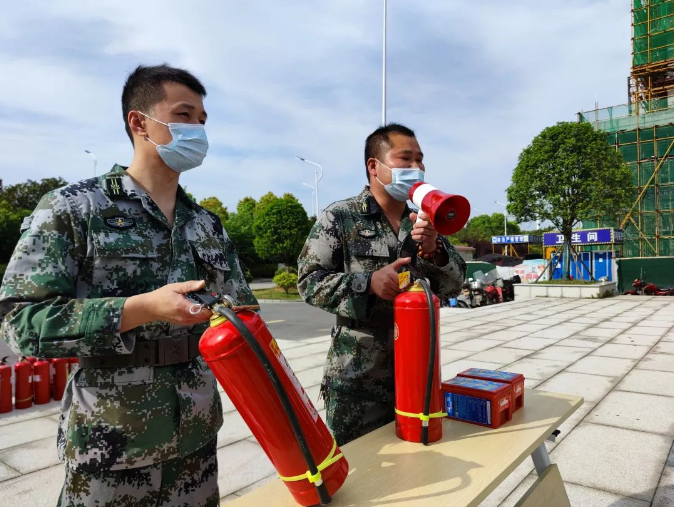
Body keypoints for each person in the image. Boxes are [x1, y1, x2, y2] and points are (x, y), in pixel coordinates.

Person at [0, 64, 256, 506]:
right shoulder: (74, 207)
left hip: (196, 438)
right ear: (140, 122)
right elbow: (20, 323)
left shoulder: (206, 224)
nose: (197, 128)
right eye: (184, 115)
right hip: (111, 443)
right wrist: (141, 309)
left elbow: (243, 314)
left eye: (202, 120)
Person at [297, 123, 466, 445]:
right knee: (365, 482)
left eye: (420, 159)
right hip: (359, 381)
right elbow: (309, 282)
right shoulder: (340, 217)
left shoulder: (423, 220)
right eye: (406, 159)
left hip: (419, 373)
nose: (417, 168)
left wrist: (434, 251)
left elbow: (454, 287)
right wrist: (368, 284)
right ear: (374, 166)